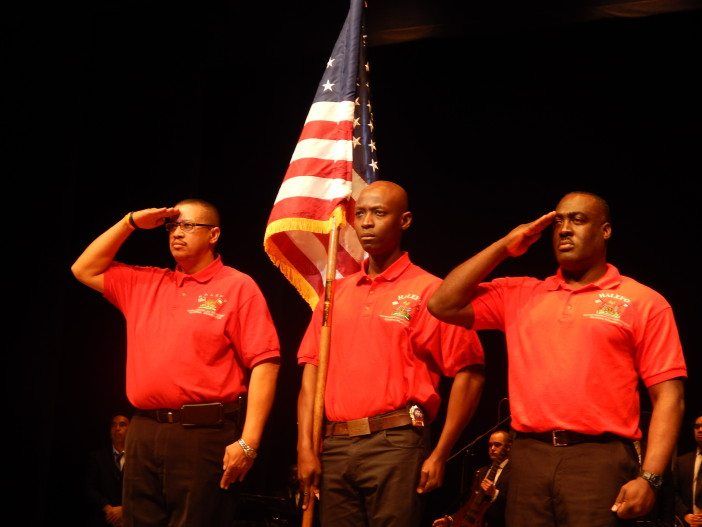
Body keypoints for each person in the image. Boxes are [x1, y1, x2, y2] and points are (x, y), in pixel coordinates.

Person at [428, 191, 687, 526]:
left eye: (578, 219)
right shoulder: (520, 294)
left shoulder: (643, 301)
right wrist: (504, 246)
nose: (565, 229)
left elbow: (670, 397)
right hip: (528, 457)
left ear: (605, 230)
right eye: (558, 222)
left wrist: (650, 477)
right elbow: (442, 304)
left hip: (599, 460)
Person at [71, 199, 280, 526]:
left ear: (213, 235)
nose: (176, 233)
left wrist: (249, 442)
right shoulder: (145, 282)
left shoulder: (237, 286)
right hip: (144, 430)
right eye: (171, 226)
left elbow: (265, 362)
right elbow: (83, 269)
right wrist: (131, 222)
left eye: (187, 226)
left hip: (202, 433)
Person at [296, 181, 486, 526]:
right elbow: (311, 369)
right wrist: (305, 447)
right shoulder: (335, 293)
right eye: (361, 213)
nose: (367, 222)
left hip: (395, 442)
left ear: (405, 221)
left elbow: (470, 371)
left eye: (379, 213)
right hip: (335, 444)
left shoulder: (430, 291)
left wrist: (441, 452)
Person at [433, 430, 512, 527]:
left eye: (497, 445)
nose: (492, 448)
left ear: (508, 447)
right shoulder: (482, 472)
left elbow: (516, 504)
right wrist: (451, 519)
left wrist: (494, 493)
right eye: (490, 445)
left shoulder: (514, 472)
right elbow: (471, 504)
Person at [85, 413, 130, 527]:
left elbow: (143, 491)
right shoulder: (97, 457)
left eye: (122, 424)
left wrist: (125, 509)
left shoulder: (138, 460)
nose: (117, 428)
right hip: (104, 519)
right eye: (113, 425)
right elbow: (89, 488)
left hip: (131, 520)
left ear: (130, 431)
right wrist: (107, 508)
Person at [674, 415, 702, 526]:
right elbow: (673, 492)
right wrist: (684, 515)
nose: (700, 430)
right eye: (697, 426)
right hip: (688, 523)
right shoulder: (681, 462)